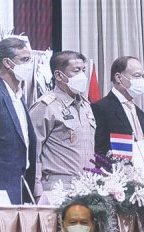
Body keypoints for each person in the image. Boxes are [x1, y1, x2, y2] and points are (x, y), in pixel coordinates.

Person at [29, 50, 96, 199]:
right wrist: (37, 190)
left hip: (87, 186)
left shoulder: (86, 105)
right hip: (58, 187)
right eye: (76, 71)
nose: (82, 76)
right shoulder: (46, 105)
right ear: (59, 75)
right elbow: (33, 150)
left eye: (83, 70)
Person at [0, 37, 37, 204]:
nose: (29, 65)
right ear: (7, 63)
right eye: (24, 60)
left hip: (22, 182)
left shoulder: (19, 96)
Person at [91, 56, 144, 155]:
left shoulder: (139, 113)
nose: (141, 80)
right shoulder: (100, 108)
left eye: (143, 76)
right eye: (137, 75)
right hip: (115, 164)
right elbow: (99, 150)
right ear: (118, 77)